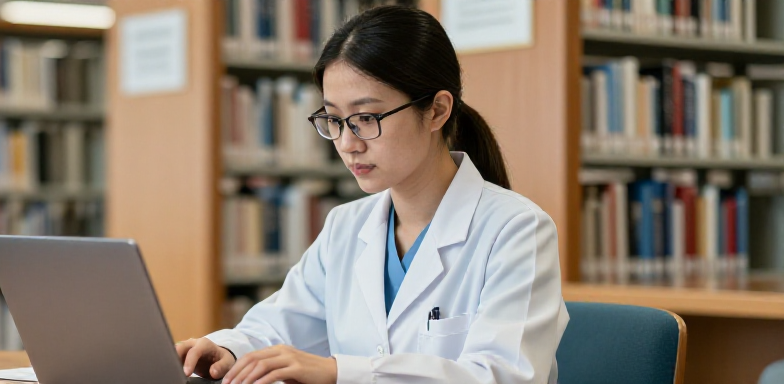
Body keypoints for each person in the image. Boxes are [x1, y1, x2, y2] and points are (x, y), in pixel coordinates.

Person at [176, 5, 569, 384]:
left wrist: (340, 373)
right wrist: (227, 350)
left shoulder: (517, 230)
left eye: (366, 118)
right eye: (334, 119)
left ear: (436, 111)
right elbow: (280, 324)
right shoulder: (346, 225)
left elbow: (503, 376)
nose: (347, 143)